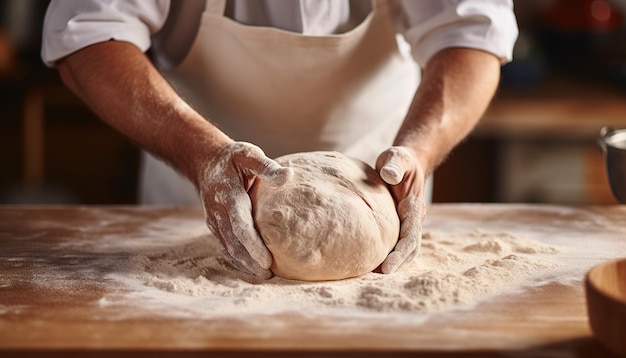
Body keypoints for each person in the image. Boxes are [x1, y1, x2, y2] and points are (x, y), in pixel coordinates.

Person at [41, 0, 518, 279]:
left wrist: (419, 147)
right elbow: (88, 32)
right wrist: (204, 156)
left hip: (380, 184)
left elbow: (470, 29)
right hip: (193, 195)